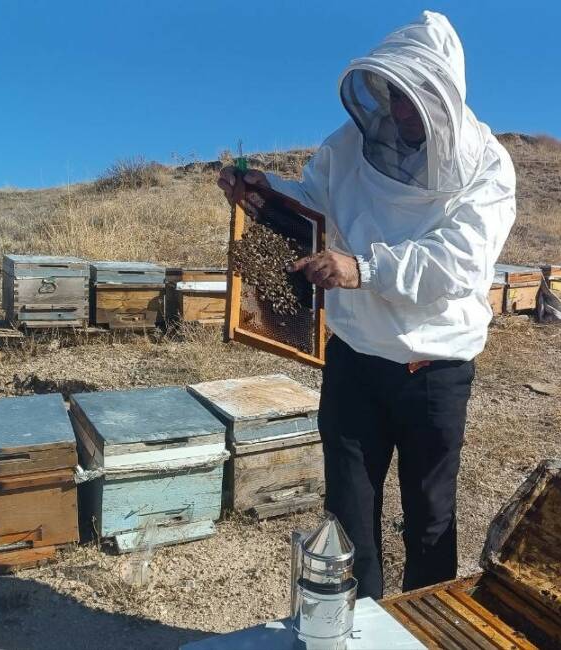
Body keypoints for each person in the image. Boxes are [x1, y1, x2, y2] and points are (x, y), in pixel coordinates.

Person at [217, 11, 516, 600]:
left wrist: (365, 269)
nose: (401, 112)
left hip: (434, 369)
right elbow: (314, 210)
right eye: (394, 96)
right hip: (353, 359)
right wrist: (265, 196)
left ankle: (421, 629)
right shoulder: (346, 148)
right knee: (349, 512)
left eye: (414, 100)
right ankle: (357, 629)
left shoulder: (487, 165)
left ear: (444, 99)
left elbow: (459, 265)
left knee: (430, 518)